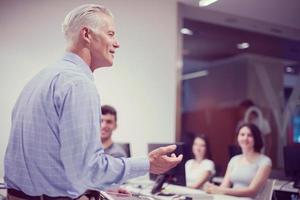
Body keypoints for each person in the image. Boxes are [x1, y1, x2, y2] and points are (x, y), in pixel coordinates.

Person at [4, 4, 182, 200]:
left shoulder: (39, 79)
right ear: (87, 34)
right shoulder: (78, 85)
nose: (117, 43)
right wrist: (148, 163)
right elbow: (90, 169)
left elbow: (54, 164)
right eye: (111, 34)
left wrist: (93, 188)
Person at [205, 123, 272, 199]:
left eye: (249, 135)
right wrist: (212, 189)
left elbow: (252, 191)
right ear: (238, 137)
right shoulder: (234, 160)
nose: (245, 138)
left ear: (256, 138)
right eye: (242, 134)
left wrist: (220, 190)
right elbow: (224, 186)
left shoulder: (265, 161)